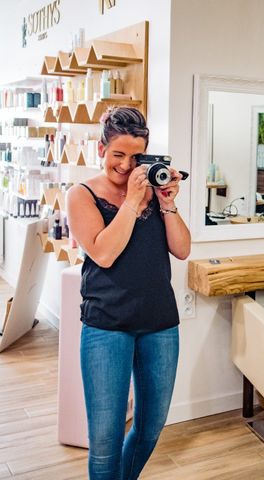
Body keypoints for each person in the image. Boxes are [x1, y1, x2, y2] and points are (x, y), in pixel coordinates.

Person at [66, 107, 191, 480]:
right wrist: (134, 202)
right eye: (117, 154)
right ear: (101, 149)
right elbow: (103, 252)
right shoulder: (82, 194)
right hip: (107, 327)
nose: (125, 165)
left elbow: (183, 249)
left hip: (160, 324)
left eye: (135, 156)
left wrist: (166, 201)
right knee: (104, 444)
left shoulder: (153, 193)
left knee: (150, 428)